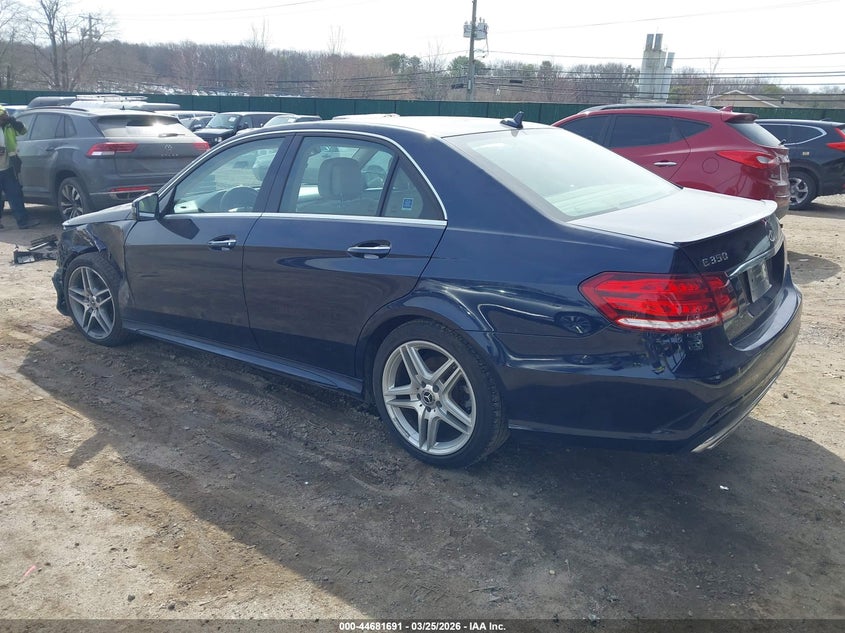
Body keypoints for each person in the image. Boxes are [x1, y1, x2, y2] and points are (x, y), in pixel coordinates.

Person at [0, 105, 38, 229]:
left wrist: (15, 122)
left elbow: (23, 131)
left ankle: (23, 221)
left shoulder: (9, 125)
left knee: (15, 194)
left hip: (8, 166)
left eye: (4, 116)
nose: (3, 118)